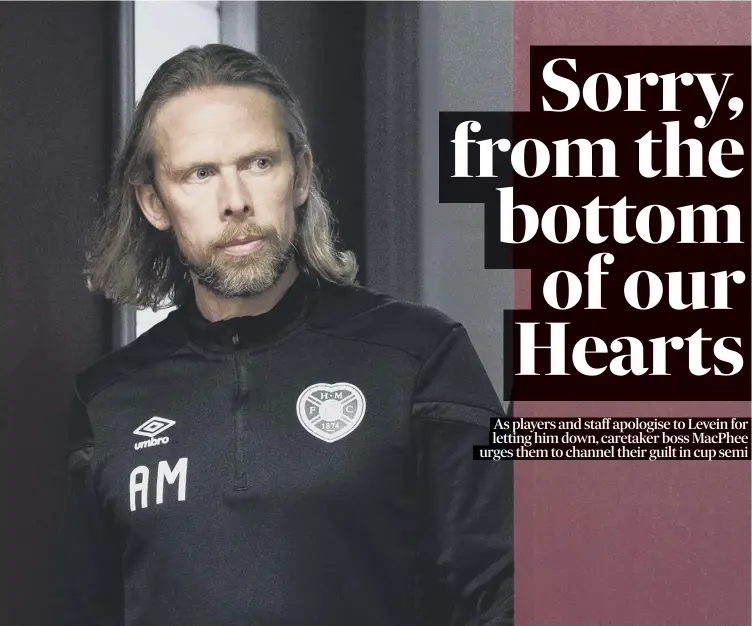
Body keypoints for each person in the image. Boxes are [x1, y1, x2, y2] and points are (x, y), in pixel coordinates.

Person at [57, 44, 513, 626]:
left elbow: (509, 590)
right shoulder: (108, 403)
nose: (236, 201)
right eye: (200, 174)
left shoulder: (420, 354)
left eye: (258, 163)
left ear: (300, 174)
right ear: (154, 202)